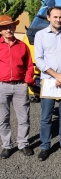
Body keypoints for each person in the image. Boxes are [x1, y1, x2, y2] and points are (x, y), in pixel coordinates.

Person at [34, 6, 61, 161]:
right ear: (48, 18)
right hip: (48, 81)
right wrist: (56, 75)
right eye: (55, 17)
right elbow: (39, 59)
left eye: (60, 17)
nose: (58, 20)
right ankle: (45, 146)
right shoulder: (40, 35)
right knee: (46, 116)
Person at [0, 15, 34, 159]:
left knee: (24, 118)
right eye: (4, 27)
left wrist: (26, 81)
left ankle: (23, 144)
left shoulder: (22, 46)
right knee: (3, 119)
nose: (8, 29)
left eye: (10, 26)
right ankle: (7, 146)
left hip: (20, 86)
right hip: (2, 86)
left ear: (14, 27)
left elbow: (29, 65)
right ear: (0, 30)